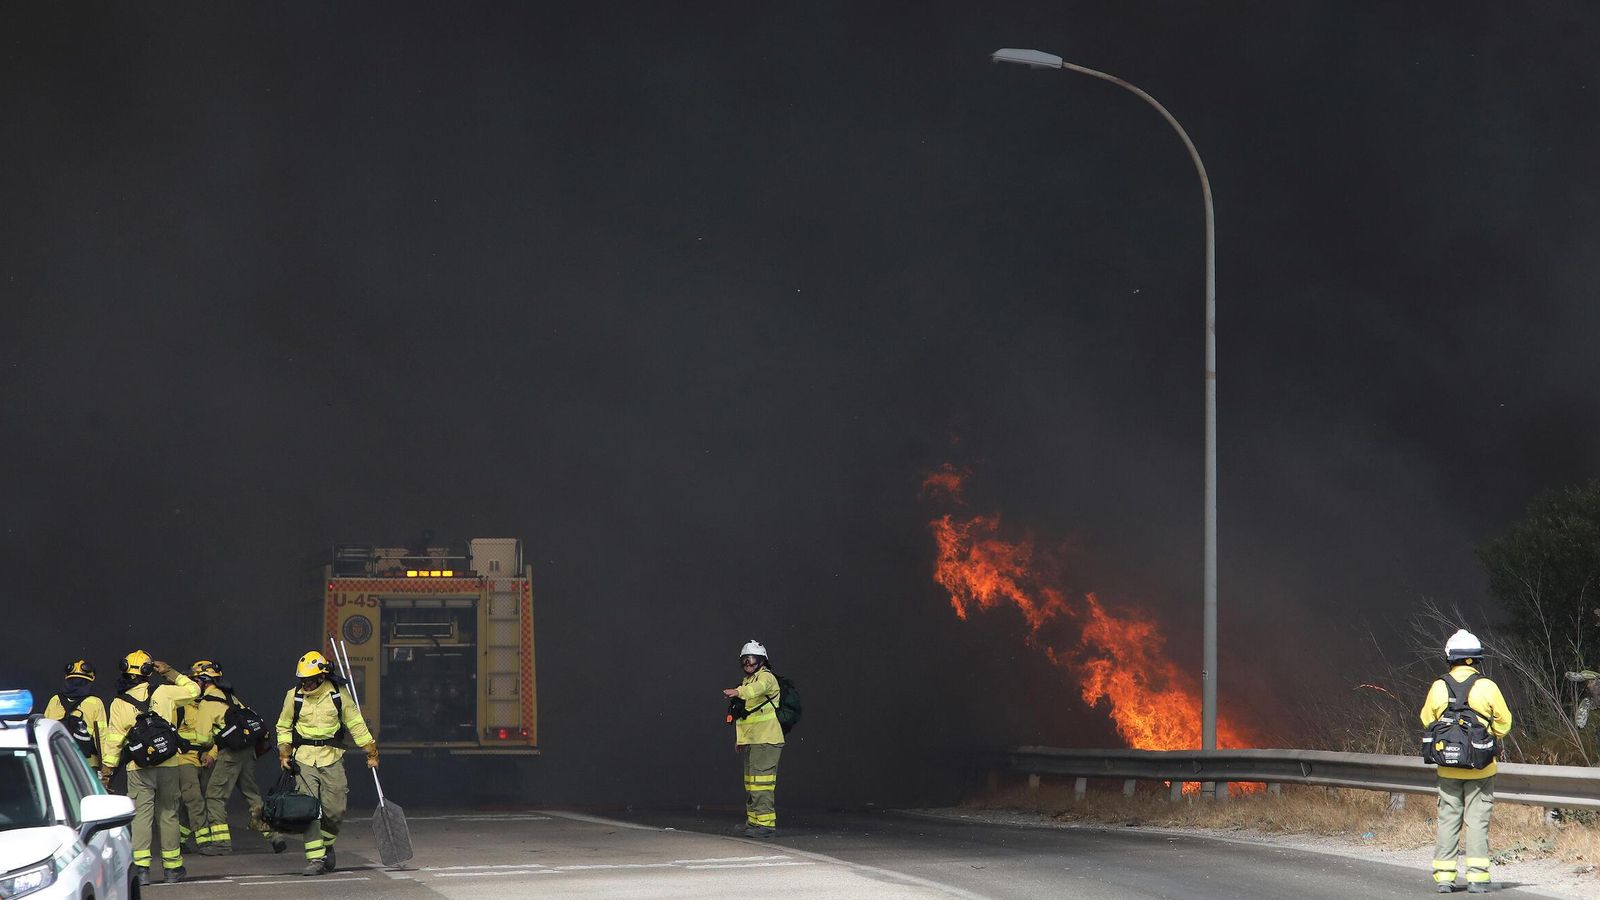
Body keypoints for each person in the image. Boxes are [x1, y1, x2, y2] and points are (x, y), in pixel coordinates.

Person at [1420, 629, 1513, 894]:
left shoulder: (1439, 686)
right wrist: (1485, 736)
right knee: (1477, 822)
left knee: (1448, 820)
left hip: (1447, 768)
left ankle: (1445, 878)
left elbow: (1427, 720)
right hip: (1481, 768)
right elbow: (1505, 723)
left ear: (1450, 658)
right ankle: (1477, 878)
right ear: (1476, 659)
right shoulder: (1487, 687)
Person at [100, 650, 200, 885]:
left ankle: (142, 871)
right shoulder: (164, 692)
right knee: (169, 814)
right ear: (148, 671)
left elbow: (114, 740)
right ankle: (173, 869)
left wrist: (107, 773)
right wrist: (171, 672)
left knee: (141, 818)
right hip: (169, 763)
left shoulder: (118, 702)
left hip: (138, 766)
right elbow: (195, 690)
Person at [276, 650, 378, 876]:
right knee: (308, 810)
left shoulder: (338, 695)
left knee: (335, 809)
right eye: (302, 681)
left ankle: (326, 844)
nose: (305, 685)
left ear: (321, 677)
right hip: (303, 759)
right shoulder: (294, 696)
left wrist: (370, 750)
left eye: (309, 681)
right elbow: (283, 726)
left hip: (332, 757)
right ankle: (316, 858)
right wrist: (284, 753)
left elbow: (355, 723)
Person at [191, 659, 286, 855]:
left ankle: (221, 844)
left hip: (230, 754)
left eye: (195, 681)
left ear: (203, 681)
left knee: (214, 796)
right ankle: (274, 836)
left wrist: (208, 750)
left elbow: (203, 738)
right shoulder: (231, 697)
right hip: (247, 751)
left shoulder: (207, 703)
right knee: (252, 795)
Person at [722, 639, 783, 838]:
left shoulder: (766, 678)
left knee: (762, 782)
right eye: (745, 660)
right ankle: (754, 822)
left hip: (766, 740)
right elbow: (746, 717)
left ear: (762, 660)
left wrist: (738, 691)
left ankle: (766, 825)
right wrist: (741, 740)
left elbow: (757, 690)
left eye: (752, 659)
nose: (748, 664)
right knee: (751, 783)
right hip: (753, 740)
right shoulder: (748, 681)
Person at [44, 660, 107, 769]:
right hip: (87, 765)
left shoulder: (54, 700)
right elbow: (101, 737)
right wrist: (106, 765)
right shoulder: (95, 702)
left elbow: (44, 731)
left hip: (59, 762)